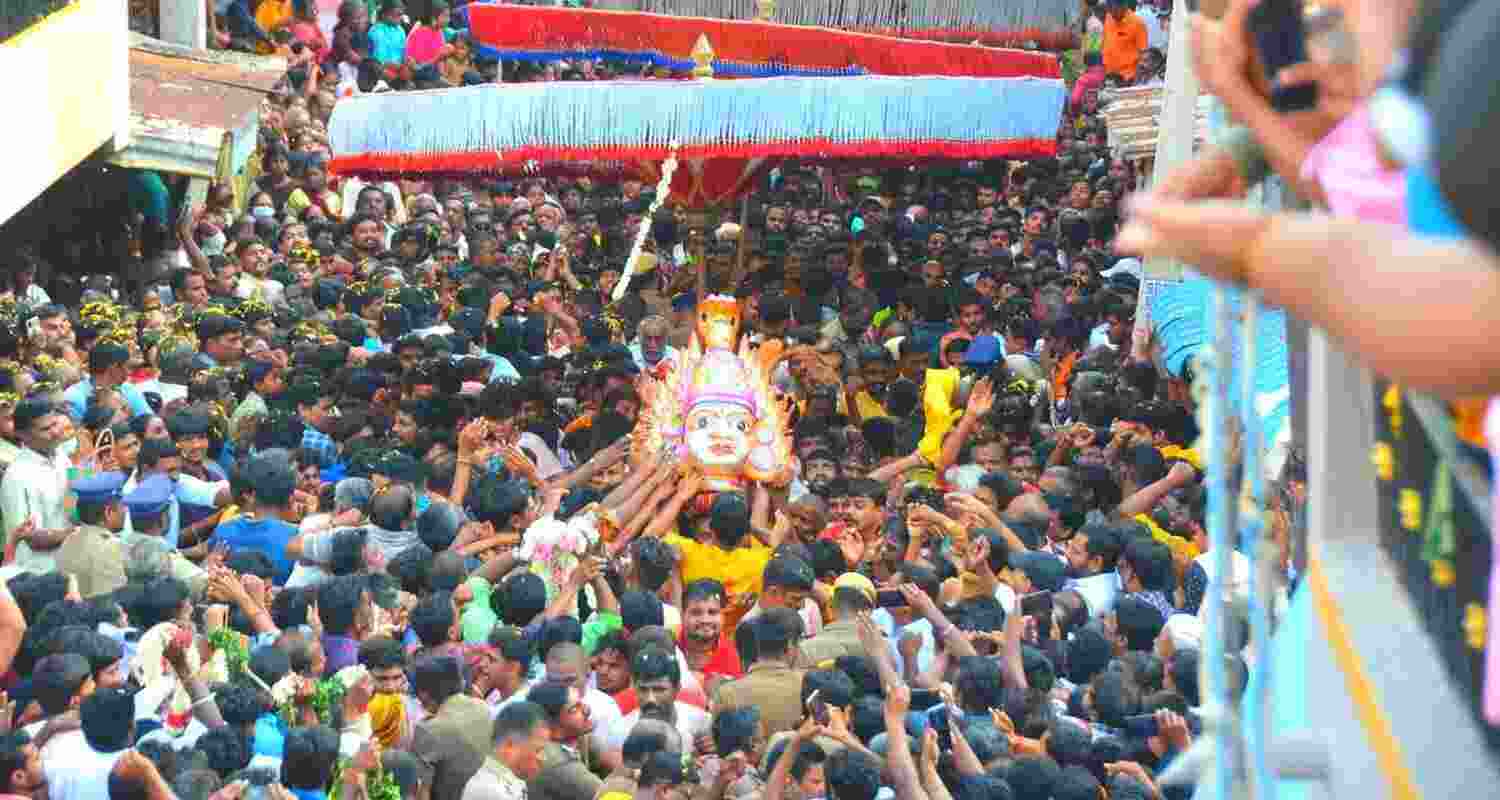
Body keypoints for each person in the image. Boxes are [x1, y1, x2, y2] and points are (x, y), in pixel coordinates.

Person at [0, 399, 75, 575]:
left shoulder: (61, 456)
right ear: (23, 435)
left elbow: (70, 507)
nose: (56, 432)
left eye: (55, 424)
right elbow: (30, 538)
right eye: (46, 429)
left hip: (67, 565)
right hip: (38, 574)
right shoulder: (17, 476)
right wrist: (75, 534)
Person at [462, 701, 549, 800]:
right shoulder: (493, 792)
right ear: (510, 746)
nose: (543, 759)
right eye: (538, 750)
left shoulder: (510, 781)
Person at [1102, 0, 1150, 81]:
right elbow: (1106, 42)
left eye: (1114, 10)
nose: (1112, 14)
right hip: (1108, 76)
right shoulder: (1109, 17)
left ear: (1124, 6)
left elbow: (1143, 55)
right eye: (1109, 9)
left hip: (1127, 78)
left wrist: (1135, 79)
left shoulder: (1137, 24)